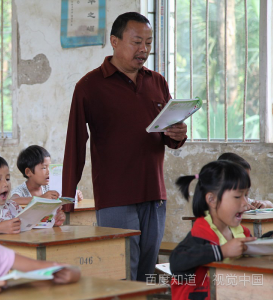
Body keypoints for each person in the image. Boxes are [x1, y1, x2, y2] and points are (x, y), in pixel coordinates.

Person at [62, 12, 187, 281]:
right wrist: (67, 197)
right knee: (121, 273)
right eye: (137, 42)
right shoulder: (89, 86)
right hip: (115, 197)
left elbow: (168, 136)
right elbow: (75, 141)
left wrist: (178, 133)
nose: (143, 50)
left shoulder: (157, 82)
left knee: (146, 271)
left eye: (149, 43)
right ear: (115, 42)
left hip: (154, 194)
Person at [169, 160, 256, 299]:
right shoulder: (200, 234)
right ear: (212, 199)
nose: (246, 203)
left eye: (246, 195)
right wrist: (222, 251)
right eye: (238, 196)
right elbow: (176, 262)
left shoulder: (241, 233)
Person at [0, 155, 65, 234]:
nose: (5, 184)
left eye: (7, 179)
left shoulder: (12, 207)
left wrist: (52, 221)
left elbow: (29, 224)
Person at [11, 145, 83, 205]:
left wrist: (75, 195)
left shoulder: (49, 187)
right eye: (44, 168)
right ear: (28, 172)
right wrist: (41, 198)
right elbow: (12, 201)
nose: (49, 171)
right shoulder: (21, 190)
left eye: (50, 167)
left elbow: (63, 196)